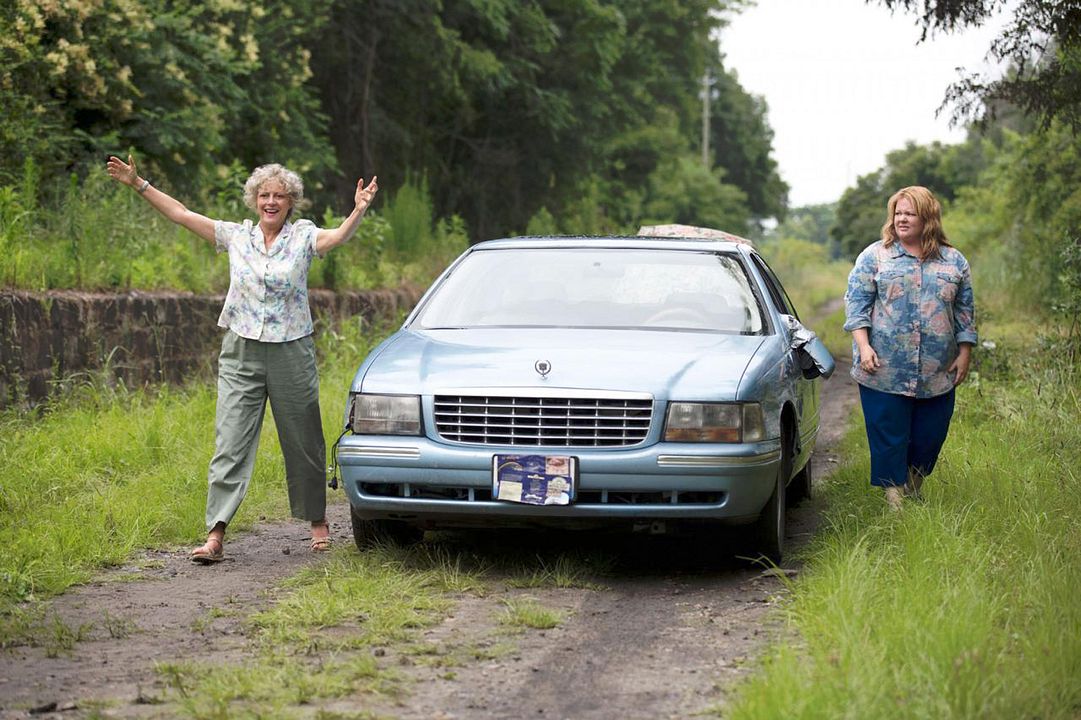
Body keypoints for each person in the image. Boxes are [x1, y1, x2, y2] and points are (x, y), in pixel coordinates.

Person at [106, 154, 378, 562]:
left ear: (290, 202)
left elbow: (337, 238)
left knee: (303, 440)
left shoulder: (302, 237)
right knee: (230, 440)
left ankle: (317, 519)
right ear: (254, 200)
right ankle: (215, 533)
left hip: (291, 349)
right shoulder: (236, 237)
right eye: (264, 195)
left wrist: (357, 211)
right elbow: (180, 214)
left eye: (279, 196)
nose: (271, 201)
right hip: (241, 350)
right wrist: (138, 183)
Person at [843, 186, 976, 510]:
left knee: (930, 437)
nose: (901, 219)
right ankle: (896, 505)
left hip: (937, 370)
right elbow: (857, 306)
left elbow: (965, 311)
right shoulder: (874, 257)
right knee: (889, 436)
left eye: (909, 213)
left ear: (927, 218)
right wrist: (863, 346)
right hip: (884, 367)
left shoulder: (954, 261)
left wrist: (965, 352)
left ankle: (913, 488)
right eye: (898, 213)